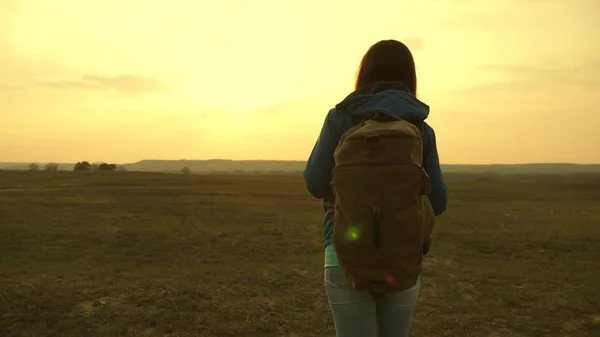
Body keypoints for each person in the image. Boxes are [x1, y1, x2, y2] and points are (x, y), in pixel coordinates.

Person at [303, 39, 448, 337]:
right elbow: (439, 200)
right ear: (410, 77)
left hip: (343, 253)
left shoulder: (340, 117)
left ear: (364, 73)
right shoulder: (420, 127)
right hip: (403, 255)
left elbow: (315, 182)